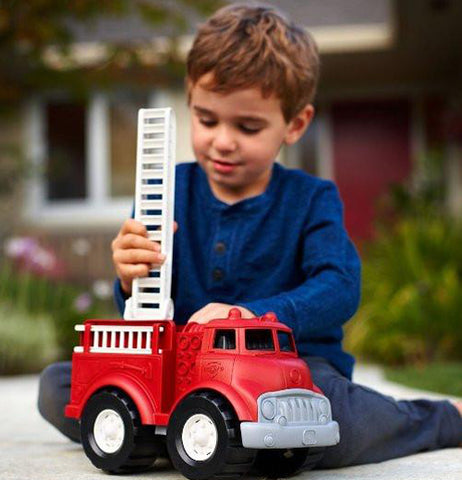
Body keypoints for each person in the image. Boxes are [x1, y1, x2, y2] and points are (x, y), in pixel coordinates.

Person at [39, 3, 462, 469]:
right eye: (207, 119)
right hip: (181, 373)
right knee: (60, 386)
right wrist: (126, 280)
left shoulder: (311, 198)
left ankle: (437, 419)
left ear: (295, 124)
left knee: (332, 419)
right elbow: (143, 318)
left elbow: (340, 286)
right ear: (189, 100)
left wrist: (251, 316)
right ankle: (189, 439)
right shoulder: (164, 191)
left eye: (247, 126)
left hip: (292, 371)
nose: (223, 140)